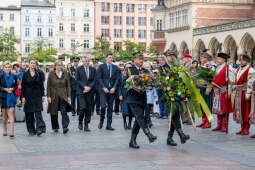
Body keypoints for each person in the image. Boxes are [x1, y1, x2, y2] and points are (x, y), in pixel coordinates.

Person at [125, 51, 157, 149]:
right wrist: (134, 84)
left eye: (142, 59)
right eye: (139, 59)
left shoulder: (145, 71)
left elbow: (150, 83)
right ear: (135, 60)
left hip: (143, 98)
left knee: (138, 120)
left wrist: (150, 85)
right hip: (133, 98)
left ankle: (132, 140)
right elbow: (125, 82)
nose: (141, 61)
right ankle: (149, 134)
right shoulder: (130, 69)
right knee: (140, 116)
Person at [159, 51, 190, 146]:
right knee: (174, 114)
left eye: (173, 56)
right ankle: (181, 134)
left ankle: (170, 138)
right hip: (168, 95)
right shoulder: (163, 68)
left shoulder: (178, 67)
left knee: (175, 115)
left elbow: (182, 78)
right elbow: (163, 81)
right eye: (169, 56)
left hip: (178, 94)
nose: (171, 57)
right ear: (166, 57)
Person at [47, 60, 72, 134]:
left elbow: (68, 85)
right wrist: (48, 96)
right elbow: (48, 85)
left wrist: (68, 96)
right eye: (58, 65)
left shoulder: (65, 73)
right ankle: (55, 127)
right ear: (55, 66)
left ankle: (65, 127)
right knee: (53, 112)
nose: (59, 66)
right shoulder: (51, 73)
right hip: (53, 95)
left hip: (63, 95)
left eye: (60, 65)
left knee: (64, 111)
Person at [22, 59, 46, 136]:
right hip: (28, 95)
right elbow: (23, 86)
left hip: (37, 95)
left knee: (38, 112)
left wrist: (43, 95)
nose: (32, 64)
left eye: (34, 63)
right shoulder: (25, 74)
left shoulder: (39, 73)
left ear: (36, 65)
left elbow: (41, 85)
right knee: (29, 113)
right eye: (31, 63)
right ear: (29, 64)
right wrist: (23, 97)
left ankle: (40, 129)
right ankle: (31, 130)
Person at [97, 53, 120, 131]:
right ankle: (101, 121)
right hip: (103, 90)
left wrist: (114, 87)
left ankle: (109, 125)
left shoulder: (115, 67)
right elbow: (99, 78)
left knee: (110, 108)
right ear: (106, 58)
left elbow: (117, 79)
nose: (111, 59)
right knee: (103, 107)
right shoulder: (101, 67)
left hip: (112, 90)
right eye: (109, 57)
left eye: (112, 58)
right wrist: (103, 87)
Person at [233, 54, 255, 136]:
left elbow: (250, 83)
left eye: (242, 60)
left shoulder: (250, 70)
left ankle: (246, 128)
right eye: (239, 60)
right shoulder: (238, 69)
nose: (240, 62)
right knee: (240, 111)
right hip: (238, 93)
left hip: (245, 92)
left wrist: (248, 93)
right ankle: (242, 128)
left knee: (246, 110)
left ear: (246, 61)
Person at [211, 53, 233, 132]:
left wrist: (229, 91)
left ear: (224, 60)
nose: (217, 60)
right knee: (218, 108)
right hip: (217, 91)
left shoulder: (228, 67)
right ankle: (219, 125)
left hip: (224, 91)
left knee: (224, 109)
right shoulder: (217, 67)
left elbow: (232, 81)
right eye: (217, 59)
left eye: (219, 59)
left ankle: (224, 125)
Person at [76, 57, 96, 132]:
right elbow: (77, 80)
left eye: (88, 61)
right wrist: (84, 87)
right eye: (85, 61)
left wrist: (89, 87)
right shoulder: (78, 69)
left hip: (90, 92)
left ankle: (86, 125)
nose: (87, 62)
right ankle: (80, 121)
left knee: (88, 109)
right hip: (81, 91)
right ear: (83, 61)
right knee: (83, 107)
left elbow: (94, 80)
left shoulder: (93, 69)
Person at [196, 52, 214, 129]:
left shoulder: (211, 66)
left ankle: (208, 122)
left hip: (207, 88)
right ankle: (203, 121)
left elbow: (211, 79)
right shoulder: (200, 66)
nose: (201, 59)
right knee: (202, 105)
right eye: (201, 58)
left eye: (203, 58)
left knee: (207, 105)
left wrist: (209, 88)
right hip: (201, 87)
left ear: (207, 59)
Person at [0, 61, 18, 138]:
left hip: (12, 97)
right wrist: (5, 89)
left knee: (10, 113)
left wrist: (12, 89)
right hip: (3, 96)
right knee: (4, 115)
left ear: (11, 68)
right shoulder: (0, 76)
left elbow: (16, 86)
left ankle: (12, 131)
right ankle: (4, 128)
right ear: (3, 68)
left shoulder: (14, 76)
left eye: (9, 67)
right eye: (6, 67)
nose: (7, 68)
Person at [118, 62, 132, 130]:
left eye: (129, 67)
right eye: (127, 67)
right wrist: (120, 94)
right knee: (124, 110)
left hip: (131, 95)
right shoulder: (121, 75)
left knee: (131, 110)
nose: (128, 69)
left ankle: (129, 123)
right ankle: (124, 122)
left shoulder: (133, 76)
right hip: (123, 94)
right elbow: (119, 86)